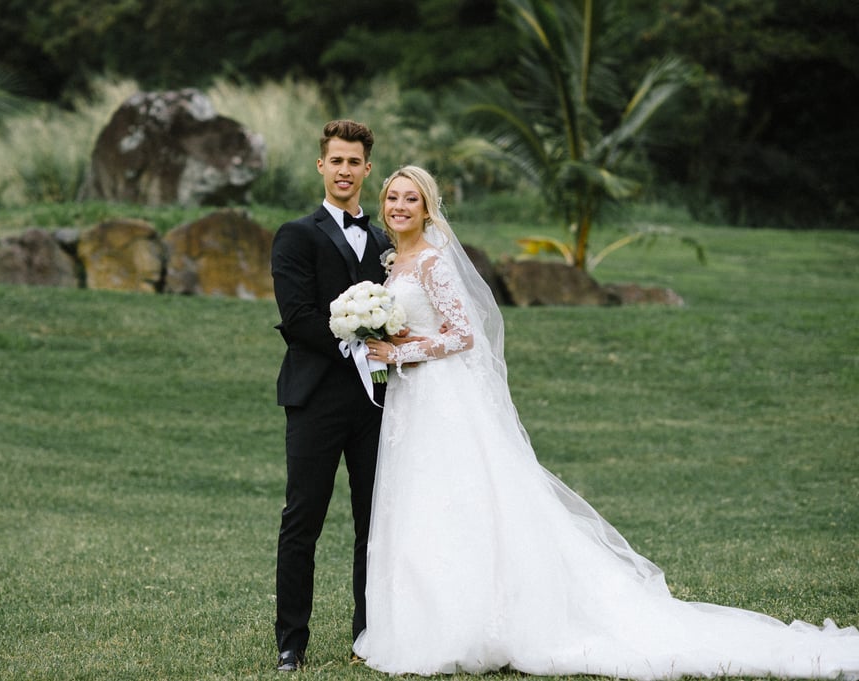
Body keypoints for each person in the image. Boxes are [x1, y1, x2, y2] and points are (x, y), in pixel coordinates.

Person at [355, 165, 859, 678]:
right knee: (422, 499)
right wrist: (388, 343)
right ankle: (427, 622)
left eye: (410, 199)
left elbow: (463, 334)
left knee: (454, 499)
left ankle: (472, 625)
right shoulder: (397, 262)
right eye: (392, 197)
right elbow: (422, 326)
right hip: (414, 401)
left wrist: (398, 353)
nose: (399, 206)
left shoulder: (434, 262)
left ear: (427, 206)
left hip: (442, 400)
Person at [270, 119, 394, 672]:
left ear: (368, 169)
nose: (345, 171)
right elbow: (297, 319)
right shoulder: (296, 235)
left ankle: (367, 634)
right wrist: (356, 345)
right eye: (336, 161)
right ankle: (291, 640)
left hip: (379, 406)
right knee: (303, 519)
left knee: (376, 521)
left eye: (355, 162)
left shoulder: (390, 241)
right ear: (321, 165)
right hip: (316, 398)